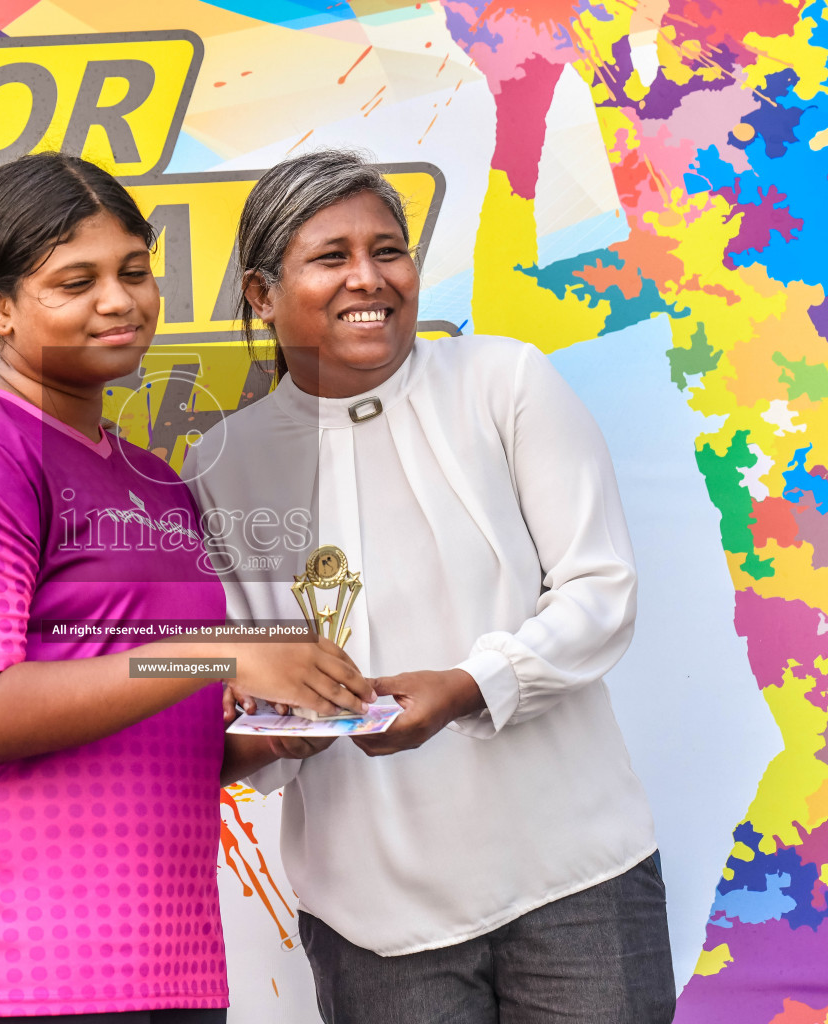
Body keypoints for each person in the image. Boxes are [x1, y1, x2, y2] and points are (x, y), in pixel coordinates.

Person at [0, 152, 372, 1023]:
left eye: (135, 271)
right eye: (76, 280)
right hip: (20, 951)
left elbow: (149, 708)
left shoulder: (155, 481)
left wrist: (273, 734)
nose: (119, 300)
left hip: (164, 953)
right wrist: (219, 653)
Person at [185, 150, 676, 1023]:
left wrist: (466, 687)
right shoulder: (225, 464)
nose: (368, 278)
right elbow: (239, 675)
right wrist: (276, 733)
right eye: (330, 256)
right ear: (261, 294)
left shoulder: (502, 380)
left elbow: (601, 592)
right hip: (374, 915)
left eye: (389, 249)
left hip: (578, 877)